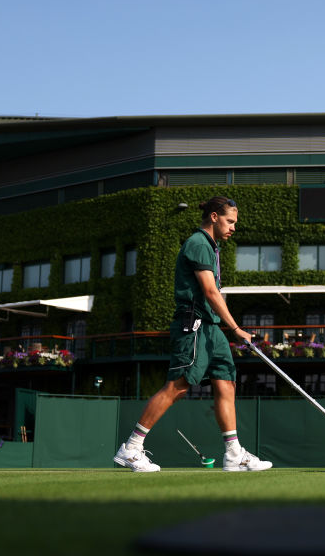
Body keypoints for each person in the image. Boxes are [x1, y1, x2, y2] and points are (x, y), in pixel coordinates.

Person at [114, 197, 272, 473]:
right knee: (178, 386)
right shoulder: (198, 243)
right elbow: (210, 292)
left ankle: (234, 454)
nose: (234, 227)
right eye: (230, 221)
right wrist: (235, 328)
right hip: (195, 326)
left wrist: (226, 329)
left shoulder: (212, 247)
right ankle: (131, 448)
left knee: (226, 383)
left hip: (212, 329)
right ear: (214, 217)